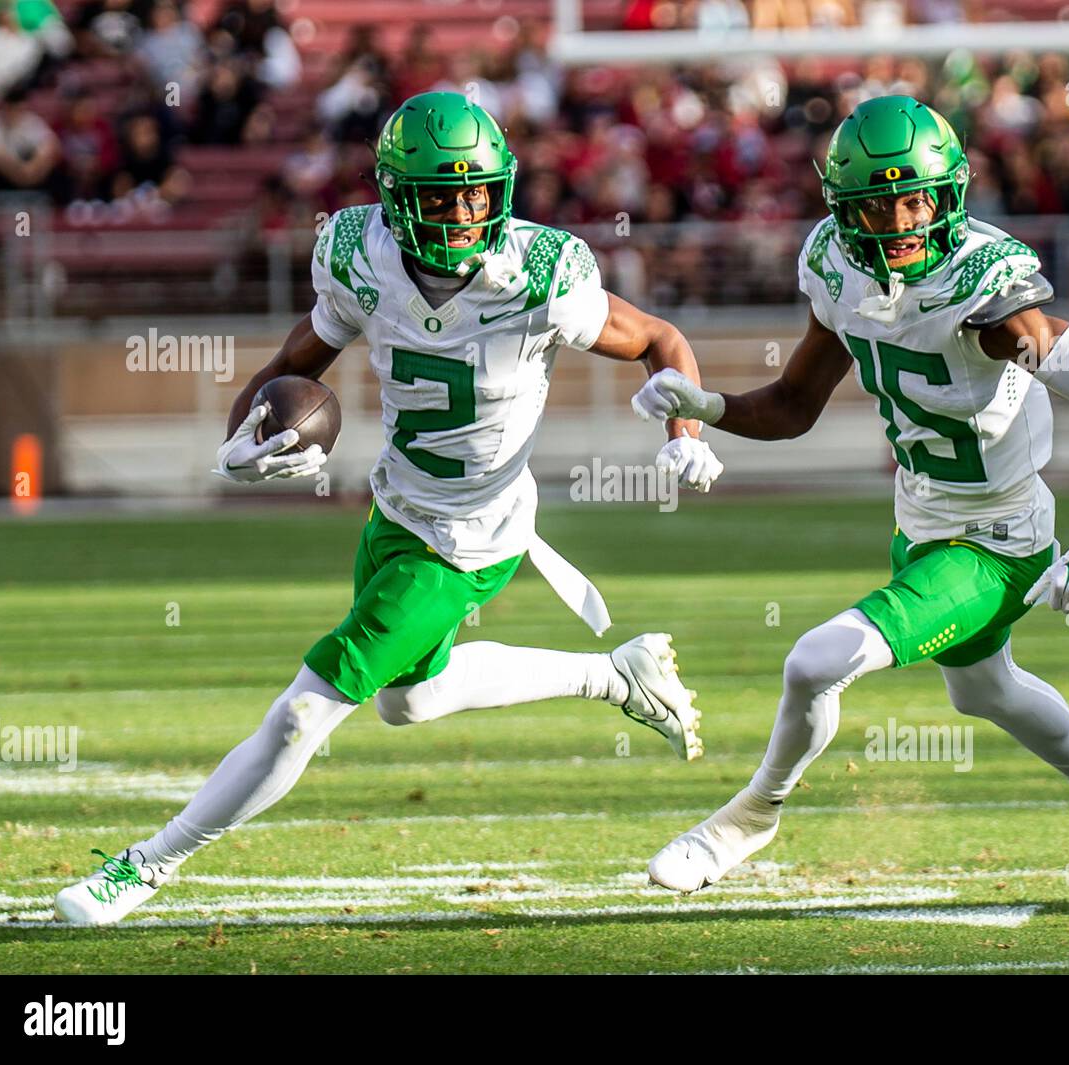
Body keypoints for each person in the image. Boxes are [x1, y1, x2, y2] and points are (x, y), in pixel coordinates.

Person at [55, 91, 724, 925]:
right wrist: (243, 436)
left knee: (309, 706)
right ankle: (611, 674)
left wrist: (685, 428)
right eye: (439, 195)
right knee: (412, 698)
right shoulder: (357, 255)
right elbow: (299, 360)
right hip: (396, 510)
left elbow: (660, 338)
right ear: (395, 196)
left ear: (501, 189)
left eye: (475, 192)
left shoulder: (542, 275)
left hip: (472, 539)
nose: (460, 211)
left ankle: (145, 866)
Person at [631, 95, 1069, 903]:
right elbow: (794, 405)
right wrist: (706, 408)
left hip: (997, 538)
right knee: (983, 687)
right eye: (877, 204)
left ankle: (750, 816)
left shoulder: (987, 297)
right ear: (842, 211)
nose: (899, 221)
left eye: (915, 198)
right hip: (922, 517)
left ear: (950, 194)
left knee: (815, 660)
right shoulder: (836, 266)